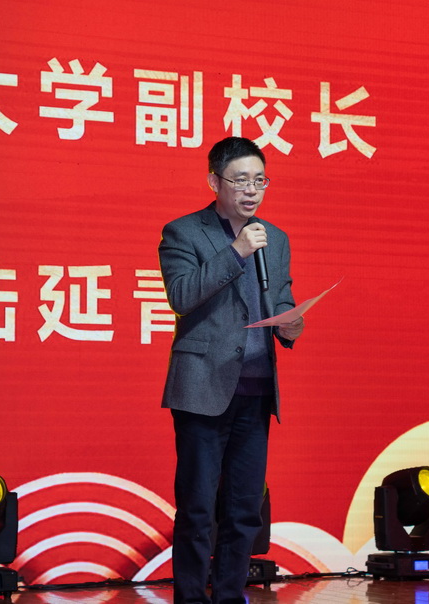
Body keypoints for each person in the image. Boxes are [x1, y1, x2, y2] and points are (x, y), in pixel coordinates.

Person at [158, 136, 304, 604]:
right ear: (214, 181)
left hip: (256, 391)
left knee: (244, 511)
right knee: (198, 508)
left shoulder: (274, 237)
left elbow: (280, 297)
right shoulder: (184, 232)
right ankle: (190, 598)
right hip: (203, 389)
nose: (252, 190)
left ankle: (228, 596)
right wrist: (236, 251)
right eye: (240, 180)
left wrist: (291, 323)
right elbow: (182, 296)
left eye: (259, 180)